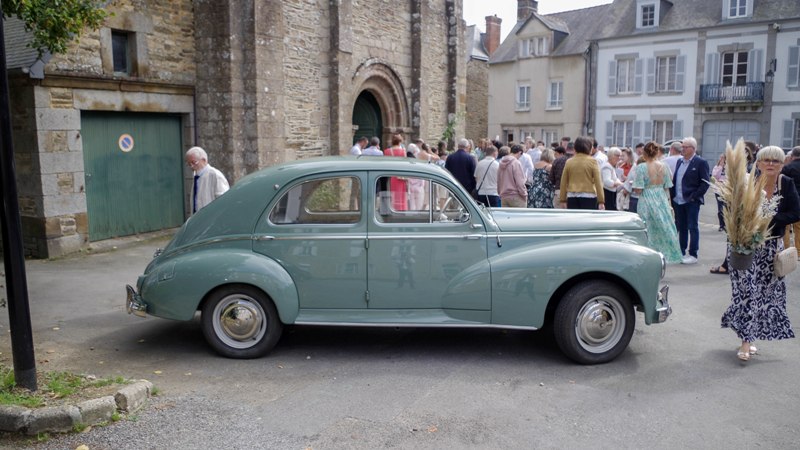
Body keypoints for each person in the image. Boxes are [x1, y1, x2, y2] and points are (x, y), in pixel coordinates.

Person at [721, 145, 800, 362]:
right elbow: (732, 209)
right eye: (767, 160)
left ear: (782, 164)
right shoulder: (747, 182)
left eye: (776, 161)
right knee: (747, 293)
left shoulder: (786, 184)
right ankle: (746, 343)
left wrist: (767, 221)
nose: (771, 164)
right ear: (759, 162)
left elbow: (795, 212)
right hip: (746, 247)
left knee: (765, 295)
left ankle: (750, 337)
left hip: (772, 249)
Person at [632, 142, 682, 263]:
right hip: (661, 198)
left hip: (647, 199)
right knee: (663, 228)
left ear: (644, 153)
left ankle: (648, 257)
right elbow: (667, 186)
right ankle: (664, 256)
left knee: (647, 228)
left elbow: (638, 189)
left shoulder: (641, 167)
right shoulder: (663, 166)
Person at [670, 137, 710, 265]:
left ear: (693, 149)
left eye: (686, 147)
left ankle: (693, 254)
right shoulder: (680, 161)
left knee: (692, 226)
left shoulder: (700, 162)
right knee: (681, 227)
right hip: (678, 200)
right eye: (682, 147)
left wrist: (694, 196)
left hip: (691, 200)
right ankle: (681, 252)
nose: (683, 149)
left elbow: (705, 183)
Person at [559, 136, 605, 210]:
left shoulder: (569, 162)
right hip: (589, 195)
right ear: (590, 148)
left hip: (572, 195)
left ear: (575, 147)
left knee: (574, 220)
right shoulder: (593, 162)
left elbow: (563, 182)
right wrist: (601, 201)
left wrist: (562, 199)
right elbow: (598, 182)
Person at [185, 146, 230, 214]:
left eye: (194, 162)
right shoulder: (197, 176)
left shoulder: (215, 175)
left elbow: (224, 200)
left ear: (204, 160)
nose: (191, 166)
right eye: (189, 164)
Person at [781, 146, 800, 250]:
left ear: (792, 156)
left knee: (786, 227)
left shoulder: (787, 168)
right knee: (799, 227)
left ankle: (786, 248)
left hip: (788, 199)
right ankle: (799, 251)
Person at [384, 134, 408, 210]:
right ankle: (401, 210)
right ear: (400, 142)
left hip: (391, 176)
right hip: (400, 176)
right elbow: (405, 165)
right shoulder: (403, 151)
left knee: (392, 194)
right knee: (401, 195)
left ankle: (392, 209)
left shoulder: (387, 151)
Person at [711, 153, 727, 231]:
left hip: (727, 189)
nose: (722, 160)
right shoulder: (717, 167)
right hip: (718, 189)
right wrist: (720, 166)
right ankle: (721, 225)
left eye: (723, 158)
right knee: (720, 208)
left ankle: (727, 224)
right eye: (721, 158)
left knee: (726, 207)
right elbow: (715, 175)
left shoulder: (729, 168)